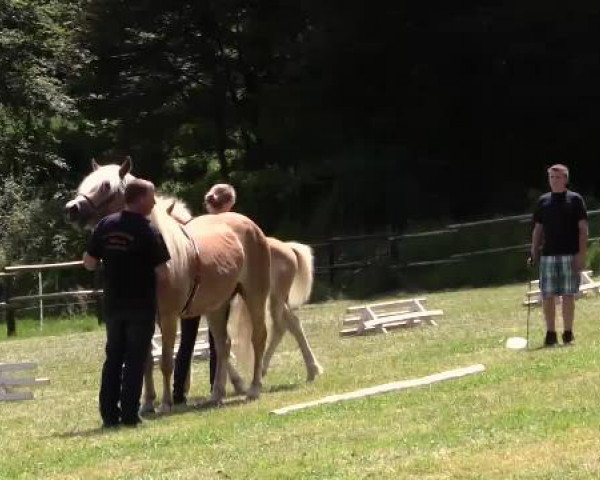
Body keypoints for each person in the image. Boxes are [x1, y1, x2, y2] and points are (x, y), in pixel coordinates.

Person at [83, 178, 170, 427]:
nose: (154, 201)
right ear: (140, 199)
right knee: (135, 359)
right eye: (152, 197)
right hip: (140, 305)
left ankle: (109, 415)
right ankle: (130, 414)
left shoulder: (105, 225)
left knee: (113, 357)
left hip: (113, 304)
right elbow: (163, 274)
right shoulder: (149, 231)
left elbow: (88, 262)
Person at [173, 183, 237, 403]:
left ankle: (178, 391)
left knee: (186, 340)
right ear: (229, 204)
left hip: (192, 290)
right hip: (214, 288)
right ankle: (214, 384)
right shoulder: (228, 229)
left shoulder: (196, 225)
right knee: (216, 338)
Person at [529, 164, 588, 346]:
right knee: (547, 295)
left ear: (565, 179)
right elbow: (538, 229)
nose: (554, 181)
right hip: (548, 256)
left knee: (568, 295)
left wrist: (581, 255)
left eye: (558, 177)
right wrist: (534, 251)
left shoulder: (575, 200)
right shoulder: (543, 201)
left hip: (569, 255)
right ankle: (550, 333)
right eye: (551, 177)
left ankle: (568, 333)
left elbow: (583, 230)